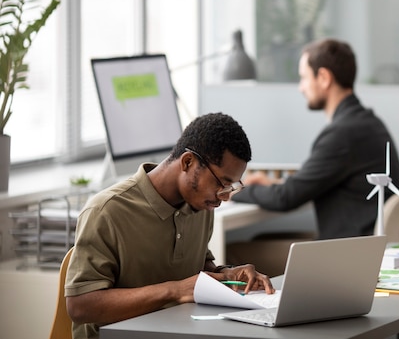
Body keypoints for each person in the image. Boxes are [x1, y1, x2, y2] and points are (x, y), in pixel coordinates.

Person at [65, 113, 275, 339]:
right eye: (221, 183)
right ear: (187, 162)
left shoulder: (201, 205)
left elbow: (197, 268)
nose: (224, 197)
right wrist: (175, 291)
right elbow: (80, 306)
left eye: (231, 186)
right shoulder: (105, 211)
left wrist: (228, 275)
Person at [232, 38, 399, 240]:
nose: (301, 88)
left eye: (304, 78)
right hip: (369, 245)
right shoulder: (369, 123)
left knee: (241, 251)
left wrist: (234, 192)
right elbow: (307, 185)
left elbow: (286, 198)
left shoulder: (343, 134)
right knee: (262, 240)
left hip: (352, 251)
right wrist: (274, 183)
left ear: (323, 77)